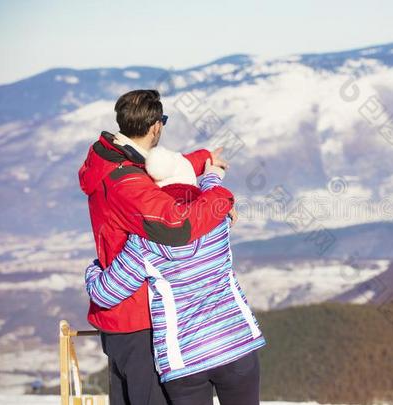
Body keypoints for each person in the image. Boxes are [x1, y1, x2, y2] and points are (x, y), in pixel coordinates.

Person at [78, 89, 235, 405]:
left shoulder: (110, 158)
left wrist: (202, 159)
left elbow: (158, 169)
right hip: (142, 319)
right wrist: (220, 197)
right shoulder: (128, 184)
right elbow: (177, 225)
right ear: (156, 127)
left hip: (121, 317)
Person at [85, 145, 266, 405]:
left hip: (184, 361)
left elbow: (107, 293)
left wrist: (93, 268)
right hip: (235, 345)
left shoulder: (143, 242)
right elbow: (212, 194)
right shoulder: (218, 220)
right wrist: (212, 172)